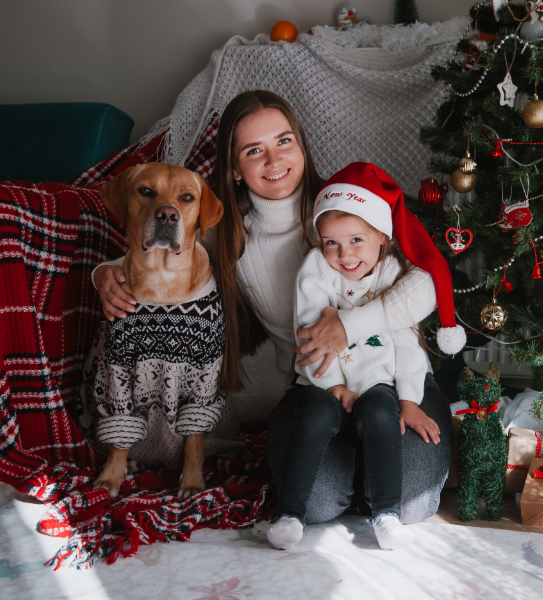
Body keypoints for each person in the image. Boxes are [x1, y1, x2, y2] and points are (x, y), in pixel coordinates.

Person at [92, 91, 464, 529]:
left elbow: (427, 281)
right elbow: (166, 251)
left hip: (394, 378)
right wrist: (104, 273)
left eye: (284, 141)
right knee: (317, 505)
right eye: (254, 151)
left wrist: (348, 325)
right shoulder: (226, 235)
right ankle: (354, 465)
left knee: (412, 500)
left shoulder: (347, 204)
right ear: (234, 168)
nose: (274, 160)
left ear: (302, 145)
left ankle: (377, 465)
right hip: (316, 389)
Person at [269, 162, 465, 551]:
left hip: (380, 381)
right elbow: (309, 339)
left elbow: (408, 346)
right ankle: (288, 514)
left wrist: (408, 400)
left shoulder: (393, 273)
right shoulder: (316, 270)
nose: (344, 255)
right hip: (326, 384)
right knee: (315, 427)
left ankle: (386, 514)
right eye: (331, 242)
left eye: (356, 240)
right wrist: (336, 389)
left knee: (380, 414)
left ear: (382, 238)